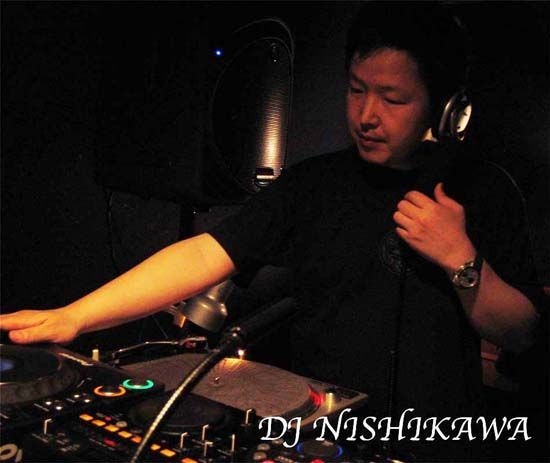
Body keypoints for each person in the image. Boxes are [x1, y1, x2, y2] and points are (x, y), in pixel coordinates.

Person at [0, 1, 545, 461]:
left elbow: (522, 333)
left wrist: (460, 260)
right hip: (319, 438)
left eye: (393, 98)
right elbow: (205, 254)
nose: (366, 115)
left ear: (446, 108)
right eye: (356, 90)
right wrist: (75, 316)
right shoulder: (314, 183)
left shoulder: (484, 190)